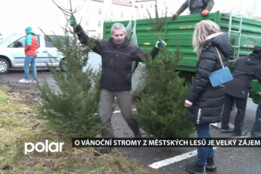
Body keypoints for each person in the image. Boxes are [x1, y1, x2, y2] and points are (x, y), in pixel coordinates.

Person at [68, 15, 165, 150]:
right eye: (116, 35)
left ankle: (137, 134)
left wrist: (156, 48)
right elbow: (85, 40)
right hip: (106, 88)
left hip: (123, 89)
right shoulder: (103, 45)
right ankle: (108, 143)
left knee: (128, 115)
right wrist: (76, 26)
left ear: (125, 34)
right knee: (103, 116)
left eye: (121, 35)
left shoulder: (132, 49)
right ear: (112, 35)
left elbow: (147, 57)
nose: (119, 37)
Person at [184, 20, 232, 174]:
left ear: (201, 33)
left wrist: (190, 98)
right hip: (215, 95)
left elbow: (201, 79)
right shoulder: (219, 48)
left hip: (205, 98)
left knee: (202, 133)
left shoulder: (209, 51)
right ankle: (210, 163)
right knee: (205, 130)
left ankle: (199, 166)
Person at [220, 46, 261, 136]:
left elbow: (233, 67)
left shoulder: (241, 60)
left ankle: (224, 127)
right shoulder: (257, 66)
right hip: (241, 88)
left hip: (229, 84)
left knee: (227, 107)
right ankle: (237, 131)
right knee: (241, 110)